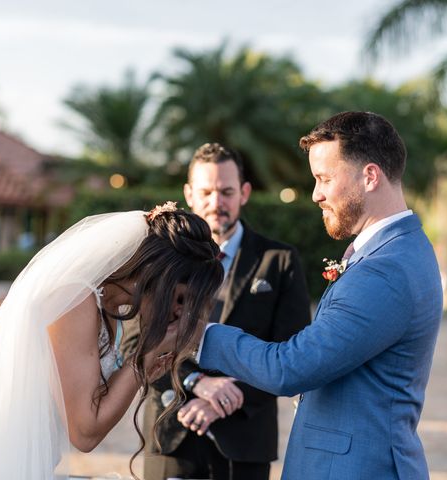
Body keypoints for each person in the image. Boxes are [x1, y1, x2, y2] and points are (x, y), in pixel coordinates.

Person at [197, 112, 444, 479]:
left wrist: (199, 334)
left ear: (370, 176)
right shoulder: (397, 250)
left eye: (324, 179)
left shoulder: (386, 269)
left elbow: (290, 368)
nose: (316, 195)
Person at [0, 203, 224, 480]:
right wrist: (145, 359)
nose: (180, 314)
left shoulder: (104, 301)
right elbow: (84, 433)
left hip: (24, 458)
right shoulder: (75, 299)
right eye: (182, 299)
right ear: (161, 278)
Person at [123, 143, 311, 480]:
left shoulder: (280, 261)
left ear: (245, 192)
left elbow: (292, 352)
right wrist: (195, 383)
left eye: (226, 192)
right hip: (170, 432)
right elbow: (136, 343)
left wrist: (224, 396)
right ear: (188, 194)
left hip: (246, 439)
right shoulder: (162, 259)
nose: (216, 203)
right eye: (206, 192)